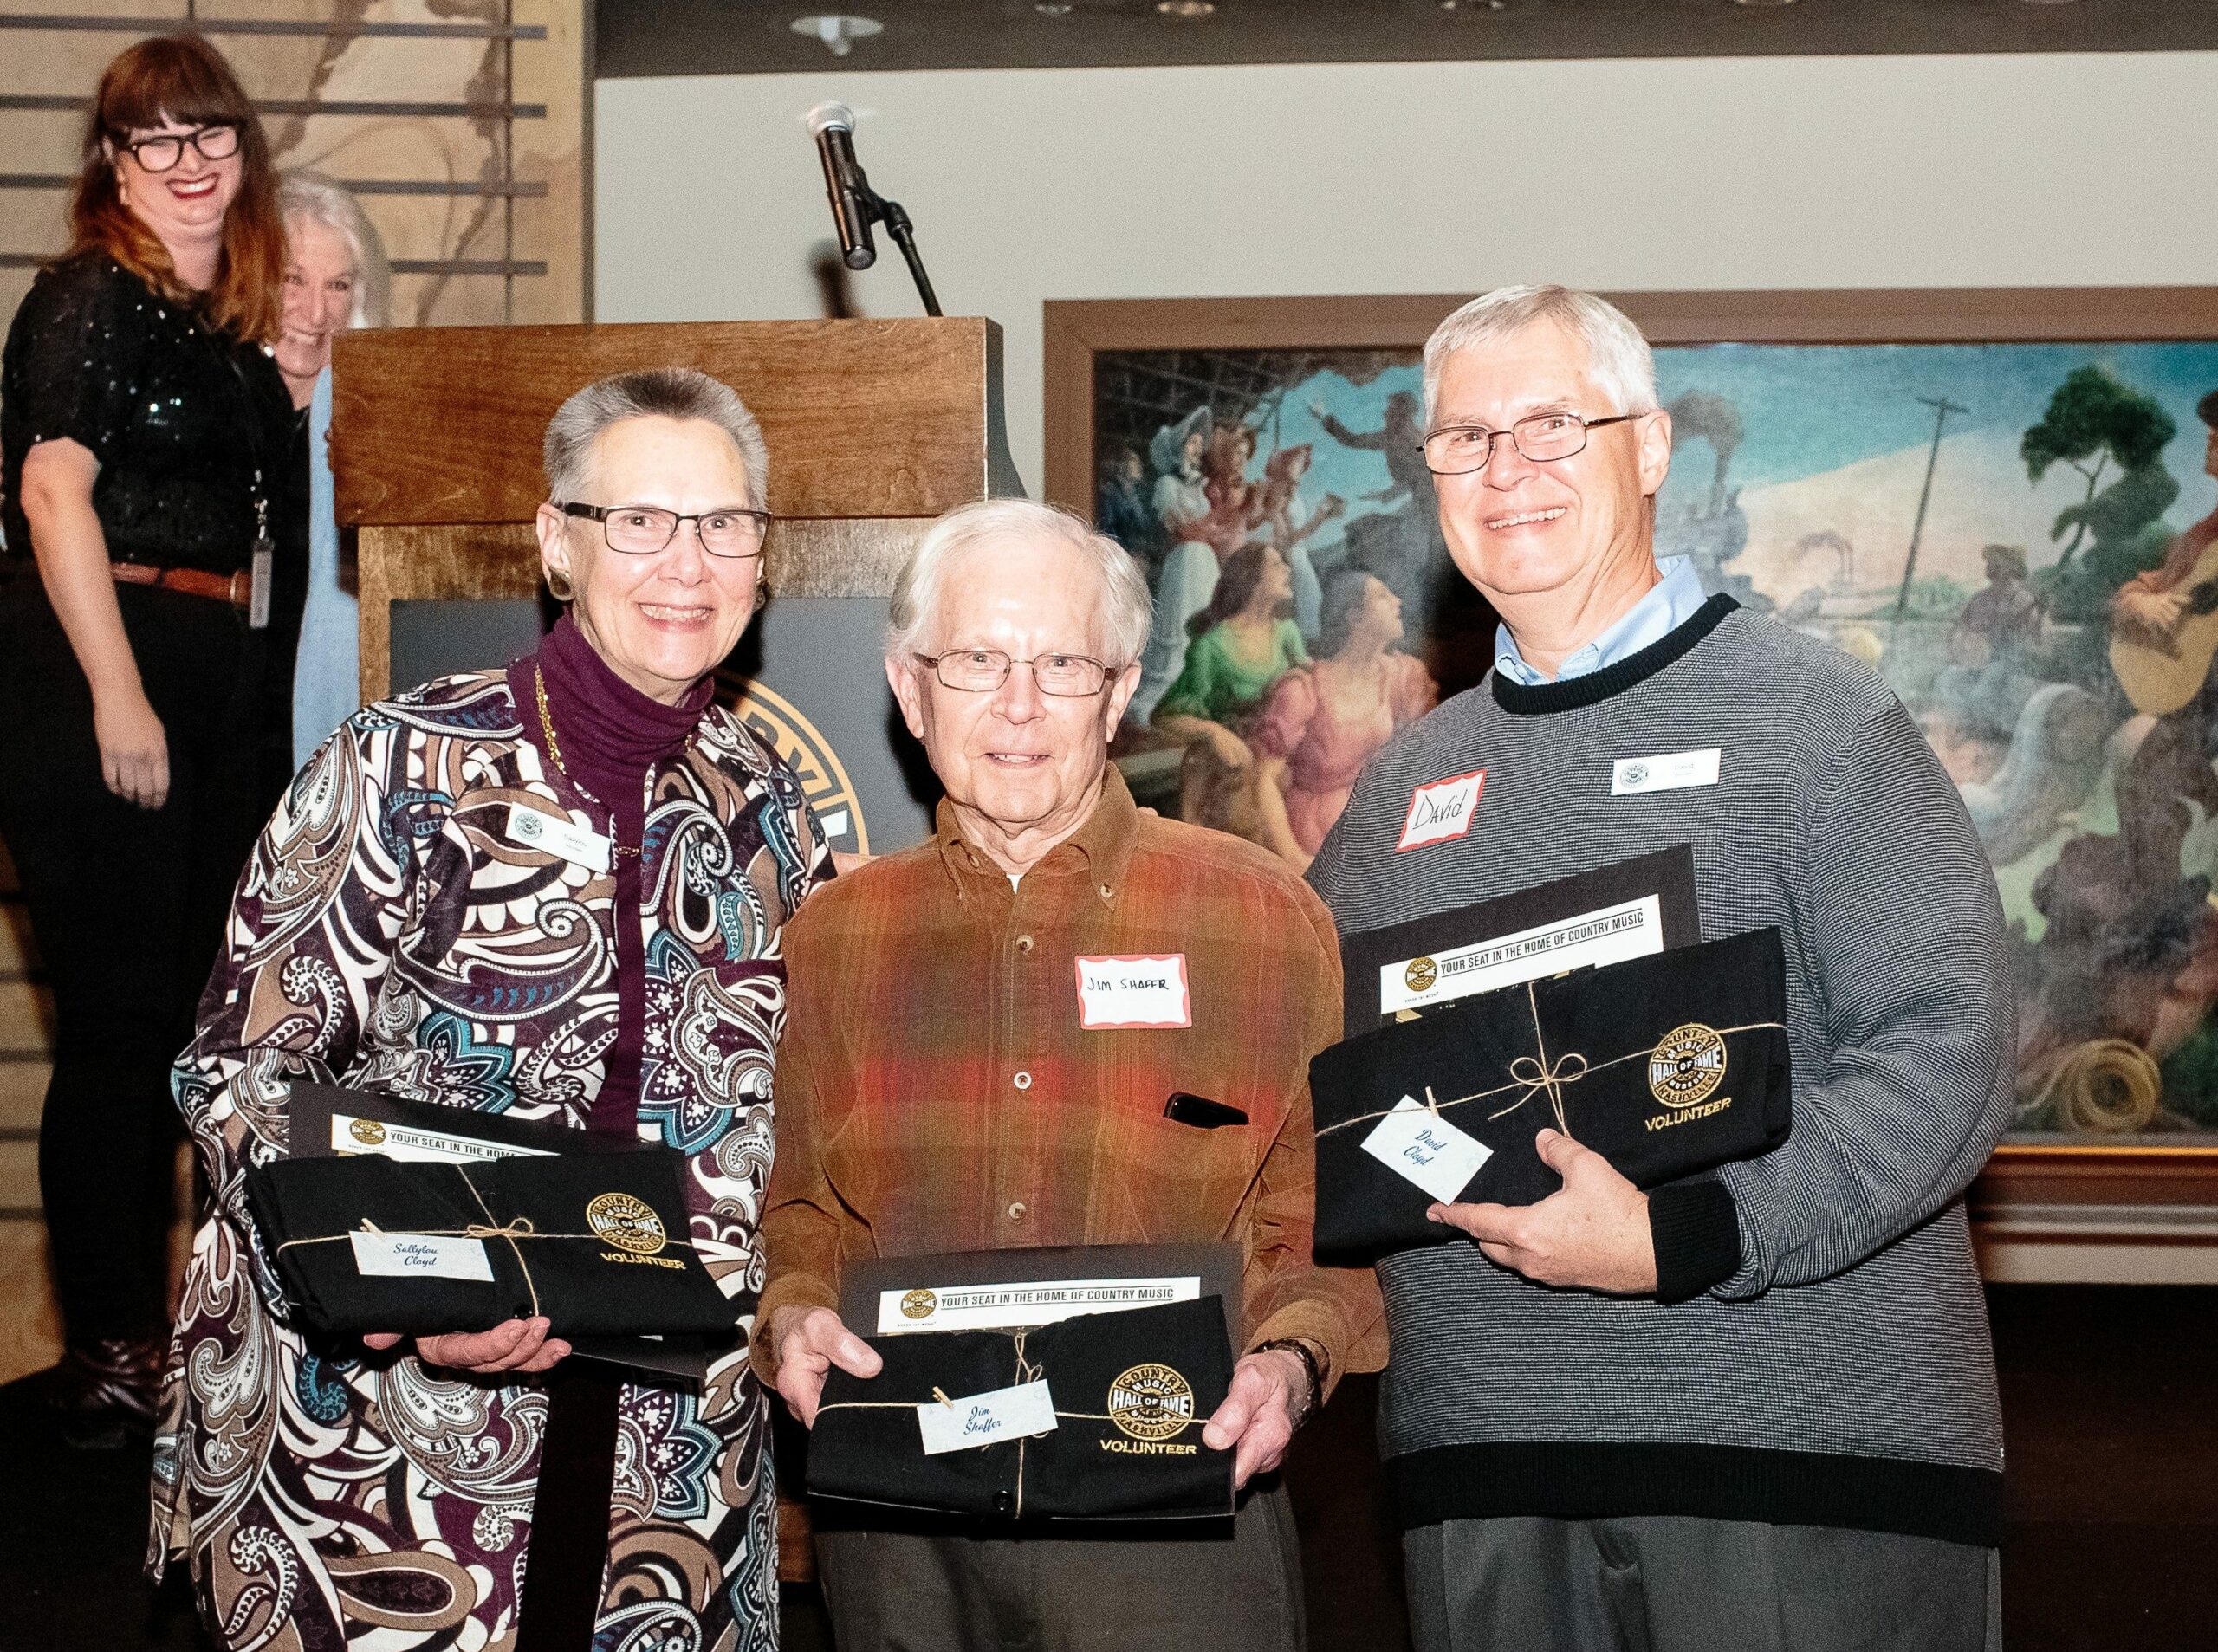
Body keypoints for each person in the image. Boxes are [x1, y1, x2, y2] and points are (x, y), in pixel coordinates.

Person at [1307, 285, 2012, 1652]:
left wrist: (1692, 1232)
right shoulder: (1395, 793)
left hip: (1799, 1467)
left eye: (1552, 426)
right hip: (1483, 1474)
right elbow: (1319, 1098)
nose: (1507, 469)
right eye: (1466, 439)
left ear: (1650, 446)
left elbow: (1949, 1053)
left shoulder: (1821, 721)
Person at [150, 368, 829, 1650]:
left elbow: (801, 1108)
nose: (687, 562)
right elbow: (239, 1073)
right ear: (557, 544)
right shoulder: (404, 765)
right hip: (388, 1432)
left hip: (670, 1449)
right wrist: (407, 1290)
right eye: (639, 519)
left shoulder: (770, 810)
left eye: (723, 523)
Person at [756, 497, 1380, 1652]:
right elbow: (800, 1216)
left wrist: (1292, 1360)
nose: (1019, 703)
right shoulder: (834, 937)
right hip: (903, 1531)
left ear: (1121, 687)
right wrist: (792, 1311)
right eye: (977, 659)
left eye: (1062, 664)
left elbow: (1328, 1229)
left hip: (1179, 1511)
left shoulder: (1266, 918)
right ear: (910, 689)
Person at [0, 33, 295, 1447]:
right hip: (94, 667)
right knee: (119, 1027)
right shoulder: (89, 294)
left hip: (211, 674)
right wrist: (118, 693)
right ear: (114, 165)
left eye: (208, 132)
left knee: (190, 1032)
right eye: (153, 139)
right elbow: (53, 494)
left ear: (244, 150)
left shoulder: (225, 329)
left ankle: (176, 1338)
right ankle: (112, 1346)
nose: (186, 161)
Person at [276, 170, 391, 769]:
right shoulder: (218, 405)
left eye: (338, 285)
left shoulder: (375, 415)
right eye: (292, 279)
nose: (315, 311)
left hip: (332, 711)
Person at [1250, 570, 1434, 870]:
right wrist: (1294, 858)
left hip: (1376, 827)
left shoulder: (1401, 678)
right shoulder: (1304, 691)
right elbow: (1266, 778)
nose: (1397, 601)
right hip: (1314, 838)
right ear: (1354, 617)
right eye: (1382, 596)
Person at [1152, 543, 1309, 836]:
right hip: (1226, 773)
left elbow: (1313, 683)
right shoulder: (1212, 646)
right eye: (1276, 564)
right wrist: (1214, 732)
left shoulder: (1286, 633)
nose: (1287, 570)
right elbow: (1166, 716)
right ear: (1253, 579)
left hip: (1277, 767)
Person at [1129, 405, 1216, 724]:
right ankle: (1154, 702)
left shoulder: (1197, 486)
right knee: (1180, 626)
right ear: (1178, 447)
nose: (1196, 449)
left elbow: (1205, 526)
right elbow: (1177, 529)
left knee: (1203, 626)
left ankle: (1193, 698)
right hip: (1184, 560)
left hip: (1205, 562)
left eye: (1199, 444)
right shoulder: (1167, 484)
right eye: (1191, 443)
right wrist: (1209, 526)